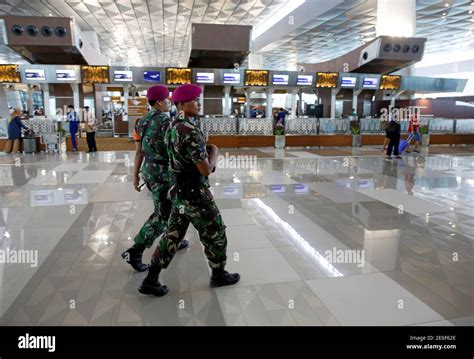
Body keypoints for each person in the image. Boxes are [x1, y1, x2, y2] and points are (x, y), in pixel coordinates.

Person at [139, 84, 240, 297]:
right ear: (183, 104)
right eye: (195, 100)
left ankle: (151, 279)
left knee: (172, 235)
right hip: (196, 194)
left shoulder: (173, 126)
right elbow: (206, 169)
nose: (199, 103)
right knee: (216, 232)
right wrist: (214, 152)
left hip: (178, 193)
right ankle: (219, 274)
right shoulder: (190, 130)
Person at [122, 85, 188, 272]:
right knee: (163, 213)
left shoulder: (141, 122)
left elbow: (138, 152)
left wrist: (135, 175)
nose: (169, 103)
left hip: (149, 171)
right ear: (159, 102)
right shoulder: (167, 122)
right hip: (164, 173)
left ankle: (175, 237)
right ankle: (135, 251)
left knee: (173, 206)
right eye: (167, 100)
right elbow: (175, 152)